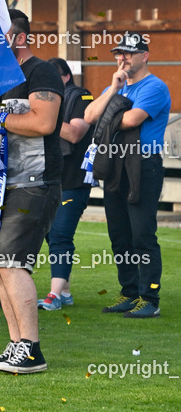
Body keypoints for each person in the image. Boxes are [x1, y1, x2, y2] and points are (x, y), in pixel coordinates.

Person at [0, 10, 62, 374]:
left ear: (21, 37)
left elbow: (44, 122)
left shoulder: (40, 71)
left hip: (33, 183)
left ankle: (31, 348)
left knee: (12, 262)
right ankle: (15, 345)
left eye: (1, 32)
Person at [84, 32, 171, 319]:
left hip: (143, 166)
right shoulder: (118, 88)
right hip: (116, 166)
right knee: (119, 234)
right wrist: (112, 89)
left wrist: (107, 116)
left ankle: (150, 297)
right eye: (118, 53)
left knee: (142, 234)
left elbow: (132, 119)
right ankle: (130, 291)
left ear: (144, 56)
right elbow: (88, 116)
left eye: (129, 53)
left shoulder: (155, 87)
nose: (122, 58)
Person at [39, 58, 92, 311]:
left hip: (73, 181)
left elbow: (74, 133)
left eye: (54, 77)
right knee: (51, 235)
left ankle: (54, 296)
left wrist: (42, 116)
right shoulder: (48, 98)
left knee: (60, 235)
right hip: (49, 178)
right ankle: (65, 290)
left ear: (66, 77)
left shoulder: (81, 97)